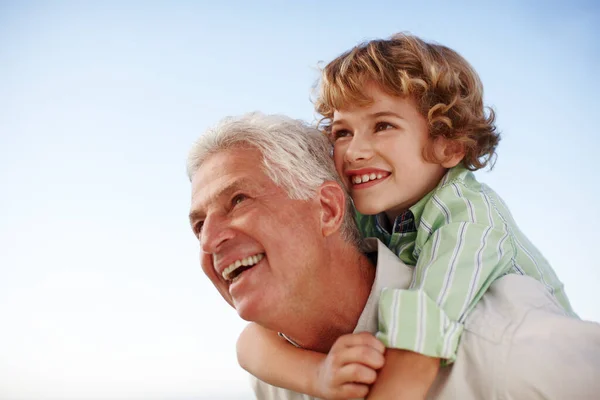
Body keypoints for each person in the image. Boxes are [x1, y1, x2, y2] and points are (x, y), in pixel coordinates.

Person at [235, 33, 577, 398]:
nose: (354, 151)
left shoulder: (469, 218)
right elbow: (252, 341)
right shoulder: (365, 211)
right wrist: (318, 376)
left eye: (383, 125)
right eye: (342, 132)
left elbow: (417, 346)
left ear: (449, 145)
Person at [187, 112, 600, 399]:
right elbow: (250, 346)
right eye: (198, 225)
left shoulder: (504, 344)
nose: (208, 241)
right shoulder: (277, 380)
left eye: (239, 200)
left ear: (329, 210)